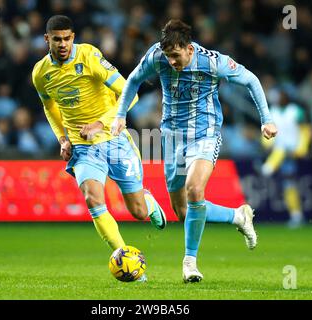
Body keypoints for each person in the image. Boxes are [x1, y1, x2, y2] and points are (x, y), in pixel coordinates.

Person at [112, 19, 277, 282]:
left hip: (205, 134)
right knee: (183, 212)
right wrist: (121, 116)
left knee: (194, 190)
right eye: (169, 57)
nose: (172, 62)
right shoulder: (157, 56)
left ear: (189, 49)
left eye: (176, 56)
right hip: (172, 137)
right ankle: (237, 216)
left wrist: (266, 119)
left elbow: (251, 80)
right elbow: (132, 80)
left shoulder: (212, 62)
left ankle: (190, 262)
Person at [32, 15, 166, 254]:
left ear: (73, 37)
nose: (62, 44)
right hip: (82, 147)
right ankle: (124, 258)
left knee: (138, 212)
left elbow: (130, 94)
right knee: (93, 199)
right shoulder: (41, 73)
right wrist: (62, 138)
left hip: (114, 140)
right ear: (47, 40)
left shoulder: (90, 57)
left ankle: (150, 204)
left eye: (66, 39)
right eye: (56, 40)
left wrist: (99, 123)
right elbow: (49, 107)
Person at [261, 90, 312, 228]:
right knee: (285, 184)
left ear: (287, 97)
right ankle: (295, 215)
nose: (279, 98)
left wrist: (302, 148)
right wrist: (266, 144)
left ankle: (296, 215)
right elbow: (266, 130)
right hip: (278, 149)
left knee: (289, 183)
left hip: (292, 152)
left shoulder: (295, 111)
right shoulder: (272, 111)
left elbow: (306, 130)